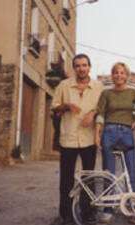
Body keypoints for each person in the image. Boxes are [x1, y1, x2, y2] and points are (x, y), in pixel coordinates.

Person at [51, 53, 104, 225]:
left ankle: (87, 212)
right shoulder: (63, 86)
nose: (81, 68)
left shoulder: (99, 87)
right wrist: (66, 106)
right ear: (74, 68)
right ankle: (65, 215)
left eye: (84, 65)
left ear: (89, 67)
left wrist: (93, 113)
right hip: (69, 138)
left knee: (88, 178)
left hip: (89, 139)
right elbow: (54, 108)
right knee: (66, 179)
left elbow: (103, 109)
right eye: (78, 65)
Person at [94, 62, 135, 223]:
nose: (119, 75)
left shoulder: (133, 93)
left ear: (127, 75)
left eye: (122, 73)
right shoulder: (106, 93)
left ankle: (133, 208)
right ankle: (108, 208)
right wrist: (97, 134)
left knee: (131, 174)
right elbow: (100, 114)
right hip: (109, 132)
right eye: (116, 73)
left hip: (127, 133)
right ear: (112, 75)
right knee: (109, 173)